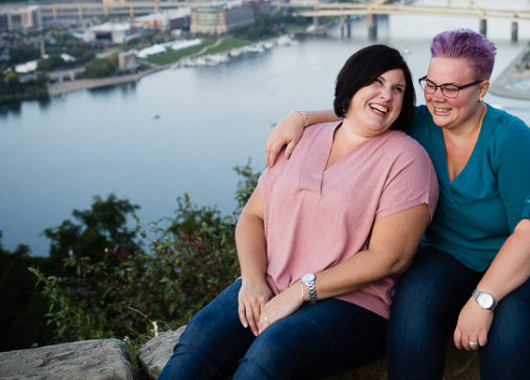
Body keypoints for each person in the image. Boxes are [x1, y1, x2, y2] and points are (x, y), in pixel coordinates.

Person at [265, 29, 530, 380]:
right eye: (431, 84)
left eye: (452, 88)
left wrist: (483, 300)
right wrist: (302, 117)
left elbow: (528, 236)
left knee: (510, 317)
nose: (437, 98)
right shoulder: (418, 125)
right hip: (452, 254)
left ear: (482, 89)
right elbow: (360, 114)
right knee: (412, 307)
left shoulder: (515, 142)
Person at [159, 44, 439, 380]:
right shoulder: (302, 138)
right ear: (351, 86)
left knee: (268, 354)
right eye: (375, 83)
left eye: (398, 89)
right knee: (199, 337)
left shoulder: (407, 160)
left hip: (354, 304)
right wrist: (251, 281)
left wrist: (300, 291)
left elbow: (388, 258)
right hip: (273, 282)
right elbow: (252, 217)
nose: (387, 95)